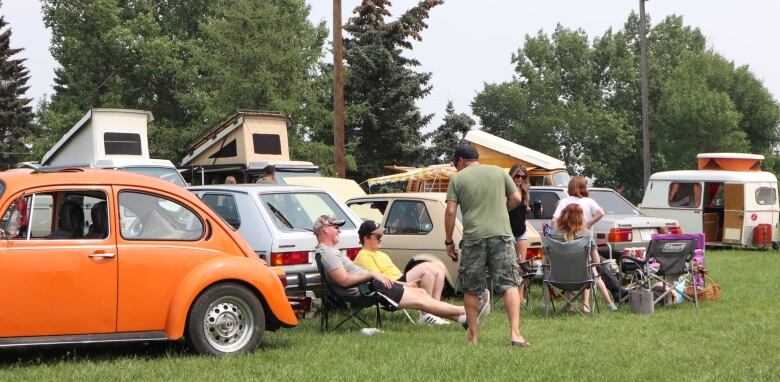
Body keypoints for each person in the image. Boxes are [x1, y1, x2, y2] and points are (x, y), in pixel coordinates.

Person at [313, 215, 489, 328]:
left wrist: (387, 279)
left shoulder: (330, 252)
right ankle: (468, 310)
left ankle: (463, 319)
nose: (339, 230)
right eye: (336, 227)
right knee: (420, 299)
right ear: (325, 230)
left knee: (420, 292)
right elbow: (343, 281)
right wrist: (372, 274)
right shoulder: (327, 253)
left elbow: (357, 276)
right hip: (368, 290)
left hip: (372, 285)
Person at [444, 145, 529, 347]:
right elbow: (517, 198)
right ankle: (515, 334)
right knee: (509, 284)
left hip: (474, 237)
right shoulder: (499, 172)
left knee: (471, 288)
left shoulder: (458, 178)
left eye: (456, 164)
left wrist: (448, 241)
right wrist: (502, 209)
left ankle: (473, 337)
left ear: (461, 161)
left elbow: (449, 211)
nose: (457, 168)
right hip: (502, 235)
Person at [353, 220, 450, 325]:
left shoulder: (380, 254)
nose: (380, 239)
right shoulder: (364, 256)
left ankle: (435, 312)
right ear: (366, 238)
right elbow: (379, 281)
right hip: (391, 288)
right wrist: (407, 284)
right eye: (377, 236)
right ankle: (425, 315)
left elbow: (394, 273)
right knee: (428, 268)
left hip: (398, 281)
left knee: (439, 266)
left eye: (381, 236)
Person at [551, 176, 617, 311]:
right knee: (589, 270)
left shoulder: (564, 202)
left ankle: (569, 303)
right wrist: (586, 226)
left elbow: (554, 221)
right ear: (583, 187)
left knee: (570, 271)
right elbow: (601, 213)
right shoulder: (589, 201)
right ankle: (590, 303)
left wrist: (557, 235)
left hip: (566, 241)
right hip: (585, 243)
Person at [508, 164, 531, 304]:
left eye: (523, 176)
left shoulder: (524, 192)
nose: (520, 179)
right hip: (507, 232)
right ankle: (511, 295)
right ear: (511, 175)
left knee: (521, 264)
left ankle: (520, 296)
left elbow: (520, 210)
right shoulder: (506, 191)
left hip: (521, 232)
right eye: (517, 175)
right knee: (510, 265)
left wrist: (527, 208)